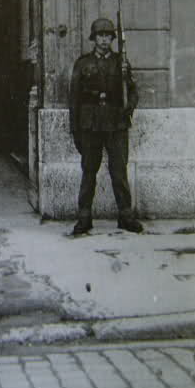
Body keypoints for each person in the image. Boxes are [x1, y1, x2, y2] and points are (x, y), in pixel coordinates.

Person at [69, 17, 144, 236]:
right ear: (94, 39)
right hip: (90, 125)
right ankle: (84, 216)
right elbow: (74, 99)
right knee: (89, 171)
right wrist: (75, 129)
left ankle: (125, 215)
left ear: (112, 38)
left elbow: (133, 92)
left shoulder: (121, 63)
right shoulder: (82, 64)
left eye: (108, 36)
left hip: (116, 123)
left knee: (119, 171)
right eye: (100, 36)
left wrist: (128, 108)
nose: (104, 40)